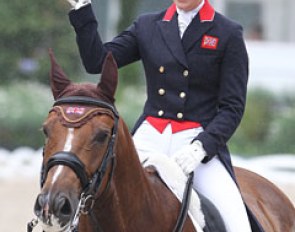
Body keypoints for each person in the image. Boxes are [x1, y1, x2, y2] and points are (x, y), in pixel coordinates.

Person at [64, 0, 263, 231]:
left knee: (237, 223)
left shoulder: (227, 32)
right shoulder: (148, 25)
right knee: (90, 200)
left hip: (197, 144)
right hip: (149, 137)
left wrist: (202, 147)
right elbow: (97, 61)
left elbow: (232, 107)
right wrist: (82, 9)